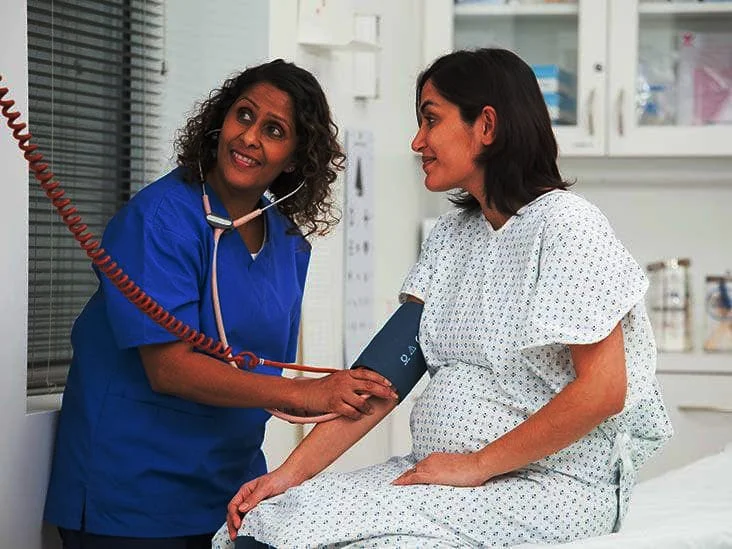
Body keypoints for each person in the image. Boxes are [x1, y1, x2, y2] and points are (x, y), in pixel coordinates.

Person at [212, 48, 674, 549]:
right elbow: (379, 382)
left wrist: (476, 465)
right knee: (266, 522)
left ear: (486, 126)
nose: (417, 141)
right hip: (448, 476)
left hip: (551, 486)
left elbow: (603, 390)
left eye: (430, 120)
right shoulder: (453, 237)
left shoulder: (565, 225)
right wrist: (286, 477)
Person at [43, 59, 398, 549]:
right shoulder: (159, 220)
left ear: (294, 159)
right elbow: (169, 369)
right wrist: (304, 394)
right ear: (219, 123)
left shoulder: (288, 243)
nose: (249, 137)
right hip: (130, 492)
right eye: (244, 115)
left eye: (274, 130)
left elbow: (259, 365)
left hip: (230, 489)